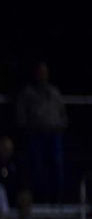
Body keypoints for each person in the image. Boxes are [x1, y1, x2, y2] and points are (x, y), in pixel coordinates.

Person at [16, 62, 68, 202]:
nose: (43, 75)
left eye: (45, 72)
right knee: (37, 167)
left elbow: (62, 113)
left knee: (56, 166)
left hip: (54, 134)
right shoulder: (28, 93)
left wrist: (61, 125)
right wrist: (27, 128)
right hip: (36, 134)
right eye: (40, 72)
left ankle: (57, 199)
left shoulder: (54, 92)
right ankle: (39, 198)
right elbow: (21, 114)